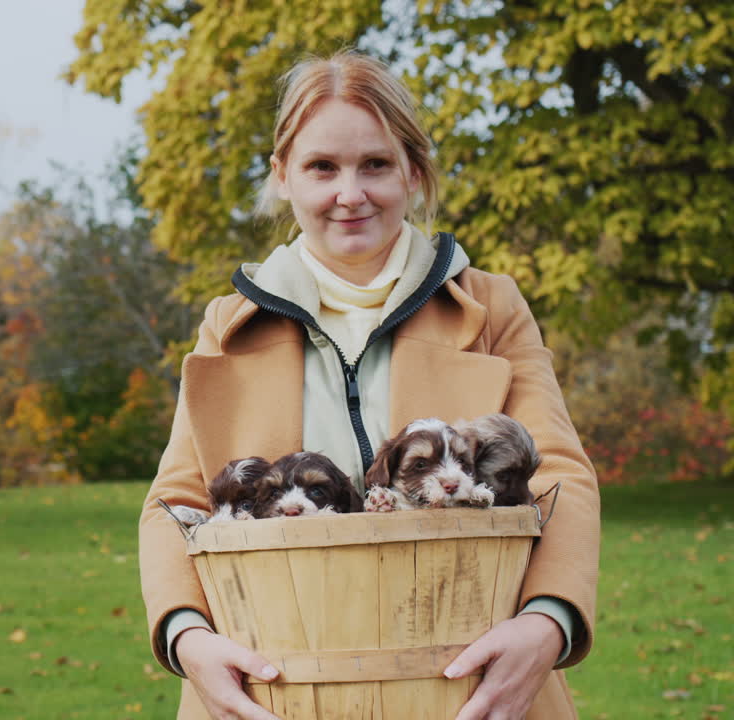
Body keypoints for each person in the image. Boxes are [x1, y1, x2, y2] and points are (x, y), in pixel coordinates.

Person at [139, 49, 599, 720]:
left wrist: (547, 621)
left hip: (474, 689)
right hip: (270, 693)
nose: (349, 194)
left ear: (414, 172)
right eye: (322, 167)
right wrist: (189, 638)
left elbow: (561, 477)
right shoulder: (227, 325)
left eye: (375, 165)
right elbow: (174, 504)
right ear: (283, 178)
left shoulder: (492, 307)